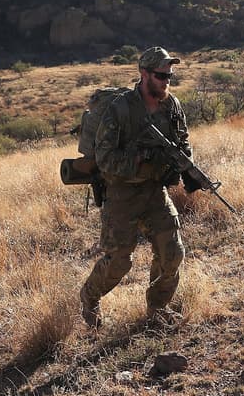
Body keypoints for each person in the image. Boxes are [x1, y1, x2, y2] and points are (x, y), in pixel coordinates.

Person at [79, 46, 192, 328]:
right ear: (144, 74)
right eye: (161, 75)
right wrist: (141, 158)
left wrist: (185, 164)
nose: (167, 80)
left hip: (155, 192)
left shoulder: (172, 106)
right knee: (119, 262)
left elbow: (184, 141)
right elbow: (105, 159)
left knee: (172, 253)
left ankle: (156, 308)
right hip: (122, 194)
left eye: (169, 75)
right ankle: (90, 297)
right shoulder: (120, 109)